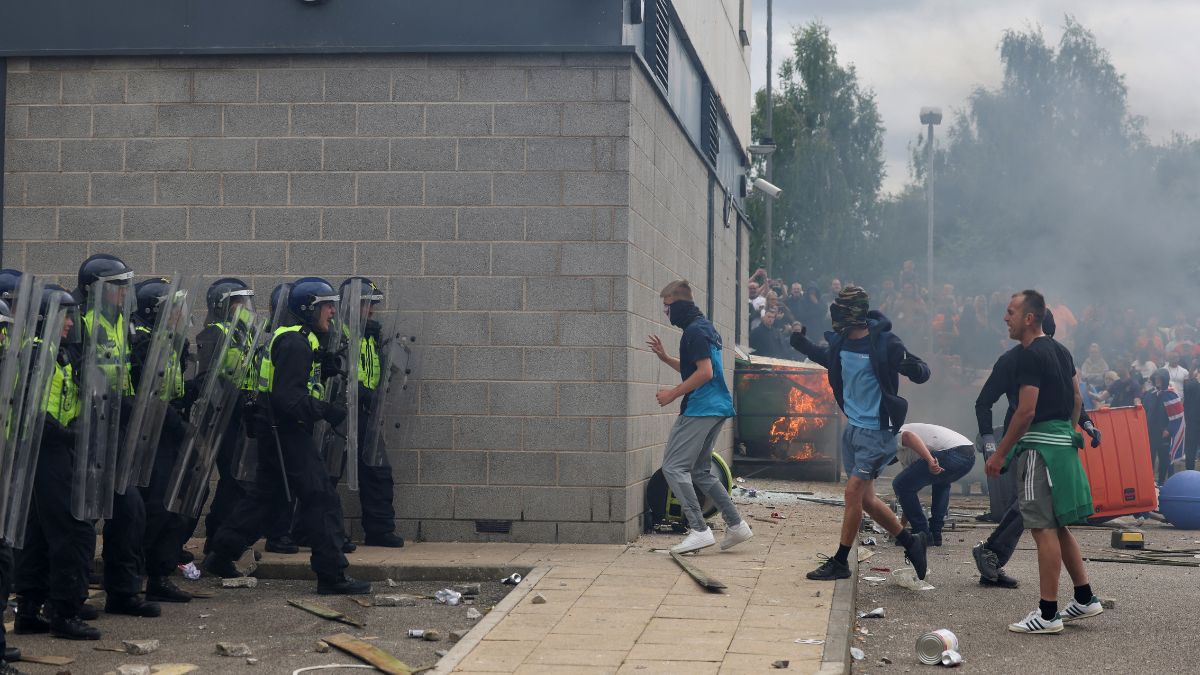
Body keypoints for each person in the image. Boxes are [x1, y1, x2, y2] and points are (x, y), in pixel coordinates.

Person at [203, 277, 370, 595]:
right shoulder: (295, 342)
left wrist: (321, 364)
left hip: (275, 431)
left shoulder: (295, 337)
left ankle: (221, 553)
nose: (332, 313)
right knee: (321, 498)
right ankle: (331, 574)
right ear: (308, 309)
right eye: (326, 306)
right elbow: (288, 398)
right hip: (288, 433)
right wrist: (326, 410)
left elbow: (289, 380)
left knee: (266, 498)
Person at [789, 287, 932, 581]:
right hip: (852, 429)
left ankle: (841, 561)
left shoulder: (884, 343)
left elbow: (922, 369)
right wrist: (800, 342)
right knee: (866, 500)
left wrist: (913, 368)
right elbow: (826, 357)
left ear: (853, 313)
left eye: (841, 308)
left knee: (852, 492)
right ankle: (910, 541)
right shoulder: (842, 343)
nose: (835, 313)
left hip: (877, 433)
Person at [984, 290, 1103, 634]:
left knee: (1041, 527)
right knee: (1057, 524)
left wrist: (1001, 452)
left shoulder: (1028, 355)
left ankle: (1048, 614)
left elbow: (1026, 411)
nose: (1005, 318)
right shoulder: (1061, 351)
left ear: (1029, 318)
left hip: (1040, 450)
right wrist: (1067, 432)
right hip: (1062, 445)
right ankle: (1084, 597)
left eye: (1010, 312)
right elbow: (1077, 397)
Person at [14, 285, 103, 640]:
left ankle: (29, 609)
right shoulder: (37, 355)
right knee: (75, 529)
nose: (70, 323)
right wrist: (67, 435)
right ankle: (65, 612)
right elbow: (28, 409)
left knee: (37, 532)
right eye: (63, 317)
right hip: (45, 448)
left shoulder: (57, 353)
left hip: (52, 447)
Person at [74, 255, 161, 619]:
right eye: (118, 286)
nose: (126, 293)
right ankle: (67, 599)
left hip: (115, 429)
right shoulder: (80, 321)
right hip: (82, 433)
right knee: (78, 521)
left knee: (129, 510)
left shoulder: (119, 322)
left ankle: (123, 592)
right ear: (99, 289)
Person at [646, 280, 751, 554]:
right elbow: (698, 367)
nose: (666, 312)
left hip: (700, 408)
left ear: (678, 305)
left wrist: (672, 394)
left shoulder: (694, 331)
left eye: (667, 307)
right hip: (717, 407)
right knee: (700, 472)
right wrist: (666, 358)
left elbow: (704, 373)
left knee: (673, 467)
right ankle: (737, 525)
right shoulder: (705, 328)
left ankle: (699, 529)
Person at [129, 278, 196, 604]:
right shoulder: (144, 343)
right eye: (172, 308)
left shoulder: (169, 342)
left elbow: (172, 390)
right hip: (151, 437)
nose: (178, 314)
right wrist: (179, 424)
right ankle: (143, 571)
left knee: (175, 506)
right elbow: (150, 396)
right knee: (156, 506)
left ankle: (160, 575)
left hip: (169, 433)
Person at [339, 277, 404, 548]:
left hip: (367, 413)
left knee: (378, 471)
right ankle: (315, 530)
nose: (372, 310)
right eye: (367, 305)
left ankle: (379, 529)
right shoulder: (338, 333)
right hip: (339, 414)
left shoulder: (371, 336)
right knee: (326, 473)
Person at [891, 423, 976, 547]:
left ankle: (922, 534)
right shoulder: (905, 455)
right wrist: (900, 529)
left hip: (951, 452)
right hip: (968, 456)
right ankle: (935, 534)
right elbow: (907, 500)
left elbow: (909, 436)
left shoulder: (890, 436)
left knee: (900, 484)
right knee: (941, 483)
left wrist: (930, 461)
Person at [1142, 368, 1184, 485]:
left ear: (1165, 380)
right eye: (1156, 378)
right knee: (1149, 457)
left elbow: (1177, 416)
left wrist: (1168, 429)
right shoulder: (1149, 394)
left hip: (1164, 433)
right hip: (1150, 431)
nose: (1157, 381)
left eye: (1160, 378)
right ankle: (1149, 482)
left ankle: (1162, 482)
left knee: (1164, 459)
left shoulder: (1171, 395)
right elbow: (1143, 410)